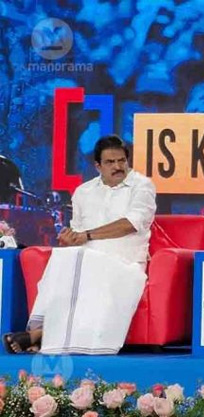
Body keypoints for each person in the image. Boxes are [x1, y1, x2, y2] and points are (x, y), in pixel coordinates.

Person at [3, 135, 156, 354]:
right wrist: (70, 238)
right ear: (97, 166)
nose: (118, 167)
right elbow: (77, 232)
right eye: (110, 162)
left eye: (122, 161)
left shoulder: (142, 186)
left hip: (126, 262)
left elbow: (131, 224)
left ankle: (41, 335)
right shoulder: (84, 192)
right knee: (63, 258)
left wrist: (87, 236)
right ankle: (43, 335)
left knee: (84, 262)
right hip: (86, 258)